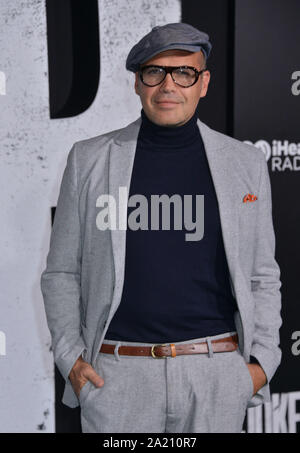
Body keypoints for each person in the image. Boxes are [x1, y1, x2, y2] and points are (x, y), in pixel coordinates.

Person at [40, 23, 282, 433]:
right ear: (138, 82)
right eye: (156, 72)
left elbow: (262, 274)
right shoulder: (90, 160)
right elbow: (62, 272)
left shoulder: (245, 164)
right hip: (117, 379)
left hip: (216, 376)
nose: (169, 85)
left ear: (203, 83)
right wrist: (72, 361)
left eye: (183, 72)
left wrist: (259, 364)